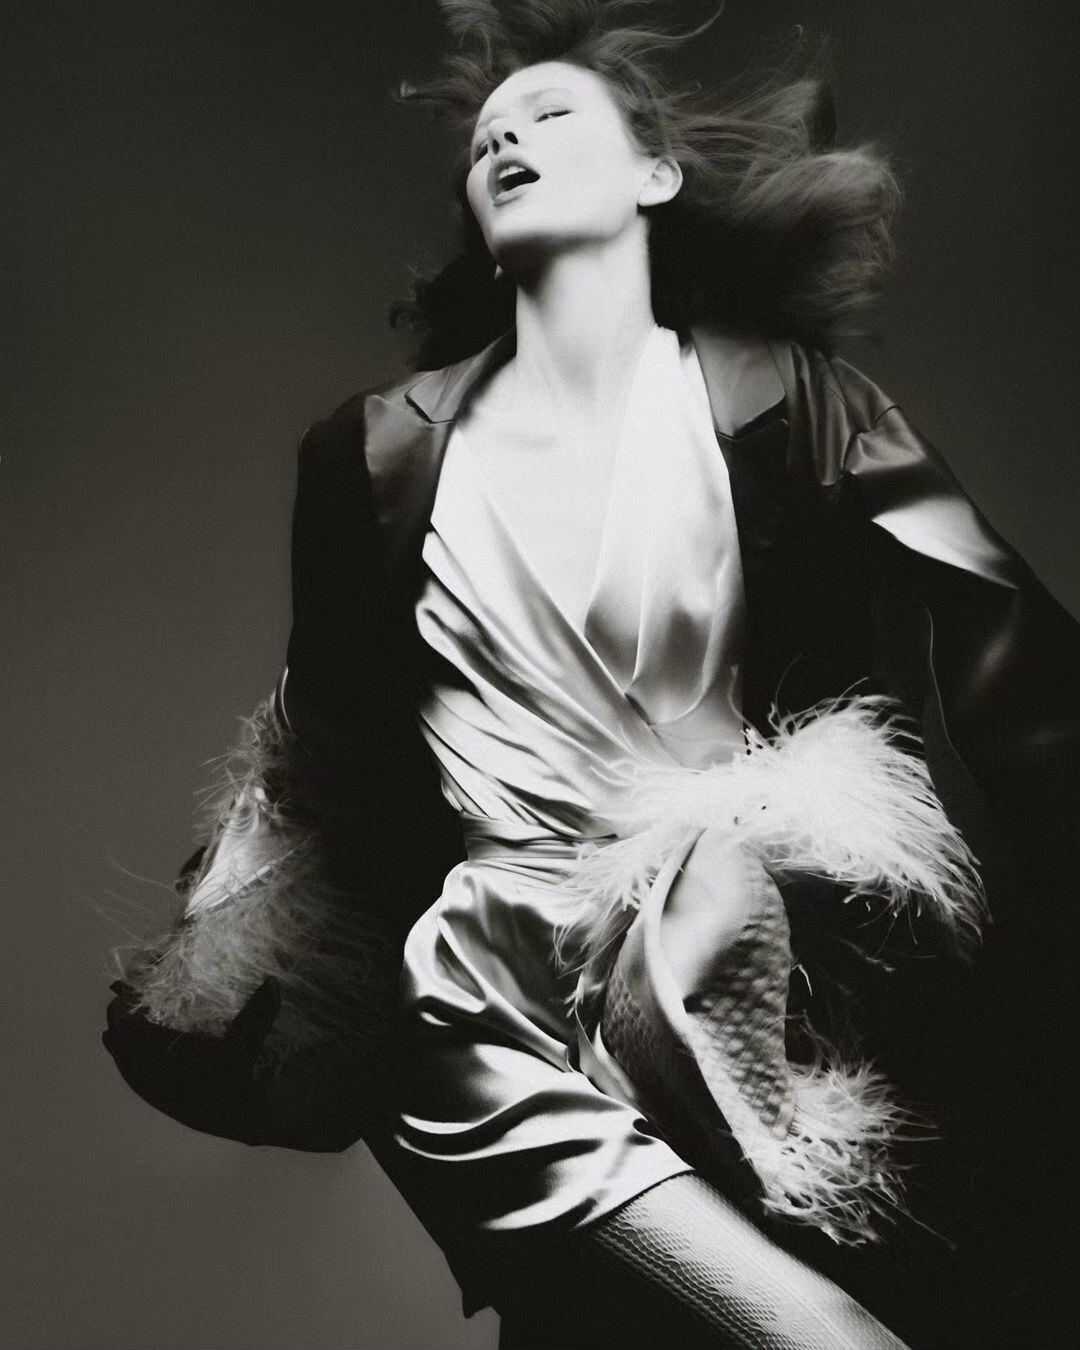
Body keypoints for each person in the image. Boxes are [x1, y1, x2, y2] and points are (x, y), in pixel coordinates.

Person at [102, 3, 1079, 1346]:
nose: (503, 142)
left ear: (653, 175)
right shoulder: (373, 454)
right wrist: (226, 953)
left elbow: (1011, 658)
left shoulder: (789, 402)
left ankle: (691, 1046)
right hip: (488, 981)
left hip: (729, 937)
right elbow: (329, 755)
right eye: (485, 141)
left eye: (551, 115)